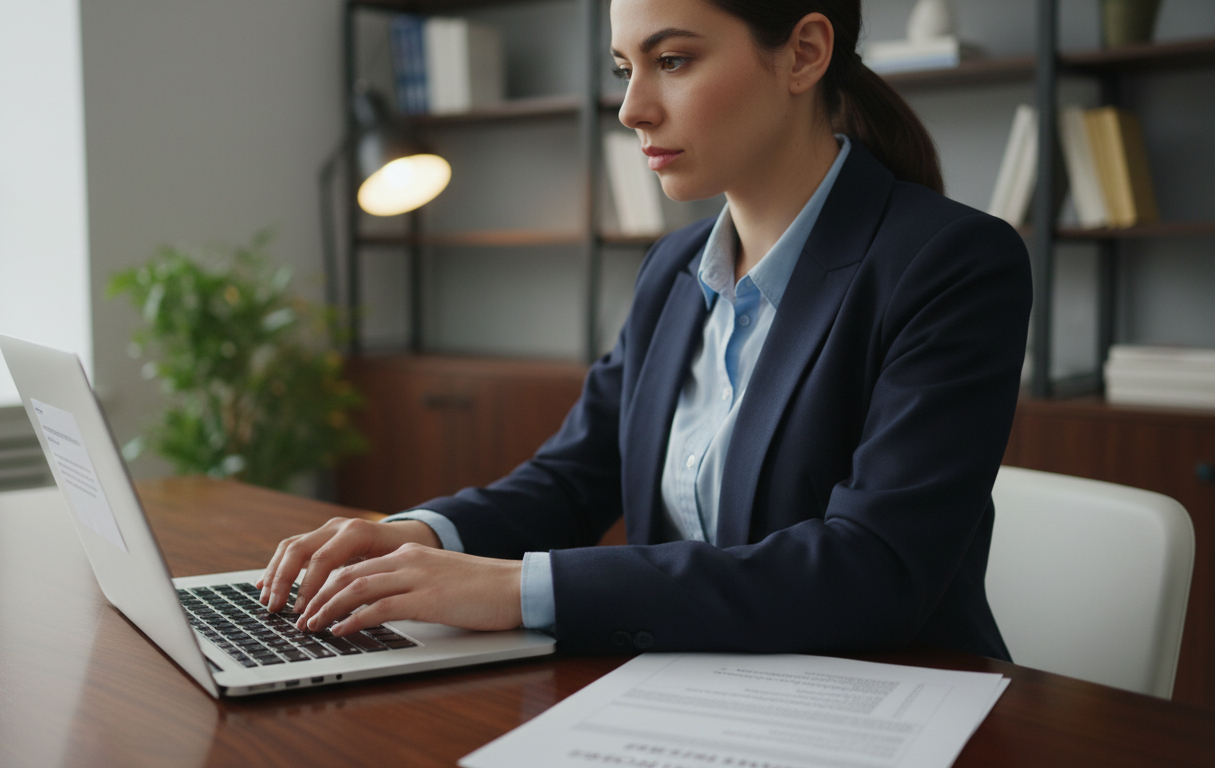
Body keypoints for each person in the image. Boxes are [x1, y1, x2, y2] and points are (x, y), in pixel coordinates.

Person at [257, 0, 1031, 660]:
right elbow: (574, 476)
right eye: (626, 69)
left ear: (804, 53)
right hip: (687, 694)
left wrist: (516, 589)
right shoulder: (673, 268)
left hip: (893, 702)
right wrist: (422, 536)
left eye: (673, 60)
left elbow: (872, 572)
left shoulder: (951, 263)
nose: (632, 109)